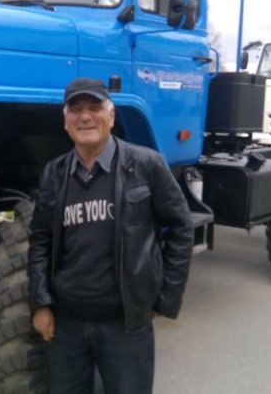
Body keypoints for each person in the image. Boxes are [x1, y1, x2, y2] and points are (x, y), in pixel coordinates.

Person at [27, 77, 194, 394]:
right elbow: (40, 240)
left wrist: (165, 298)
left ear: (112, 116)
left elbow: (181, 228)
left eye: (95, 107)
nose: (85, 116)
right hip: (68, 324)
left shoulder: (146, 165)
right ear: (65, 121)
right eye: (75, 109)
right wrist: (41, 303)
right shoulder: (54, 173)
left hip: (125, 325)